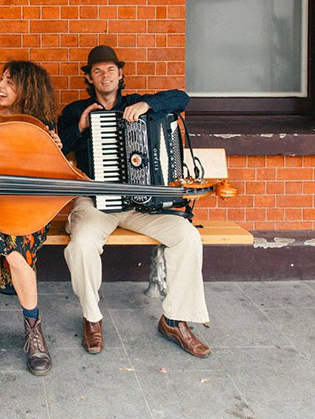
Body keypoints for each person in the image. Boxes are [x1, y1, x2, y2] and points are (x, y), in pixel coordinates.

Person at [57, 45, 211, 358]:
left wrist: (146, 104)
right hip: (95, 200)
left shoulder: (136, 104)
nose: (105, 75)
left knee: (187, 237)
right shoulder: (75, 111)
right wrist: (81, 127)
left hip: (142, 204)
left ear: (120, 73)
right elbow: (56, 152)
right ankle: (92, 317)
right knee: (82, 245)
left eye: (110, 69)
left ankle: (174, 319)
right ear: (89, 77)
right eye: (97, 71)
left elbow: (181, 98)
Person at [0, 60, 62, 376]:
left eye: (8, 82)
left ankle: (33, 329)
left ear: (27, 89)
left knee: (14, 253)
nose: (0, 86)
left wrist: (54, 152)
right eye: (1, 80)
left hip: (30, 209)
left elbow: (52, 180)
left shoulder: (44, 127)